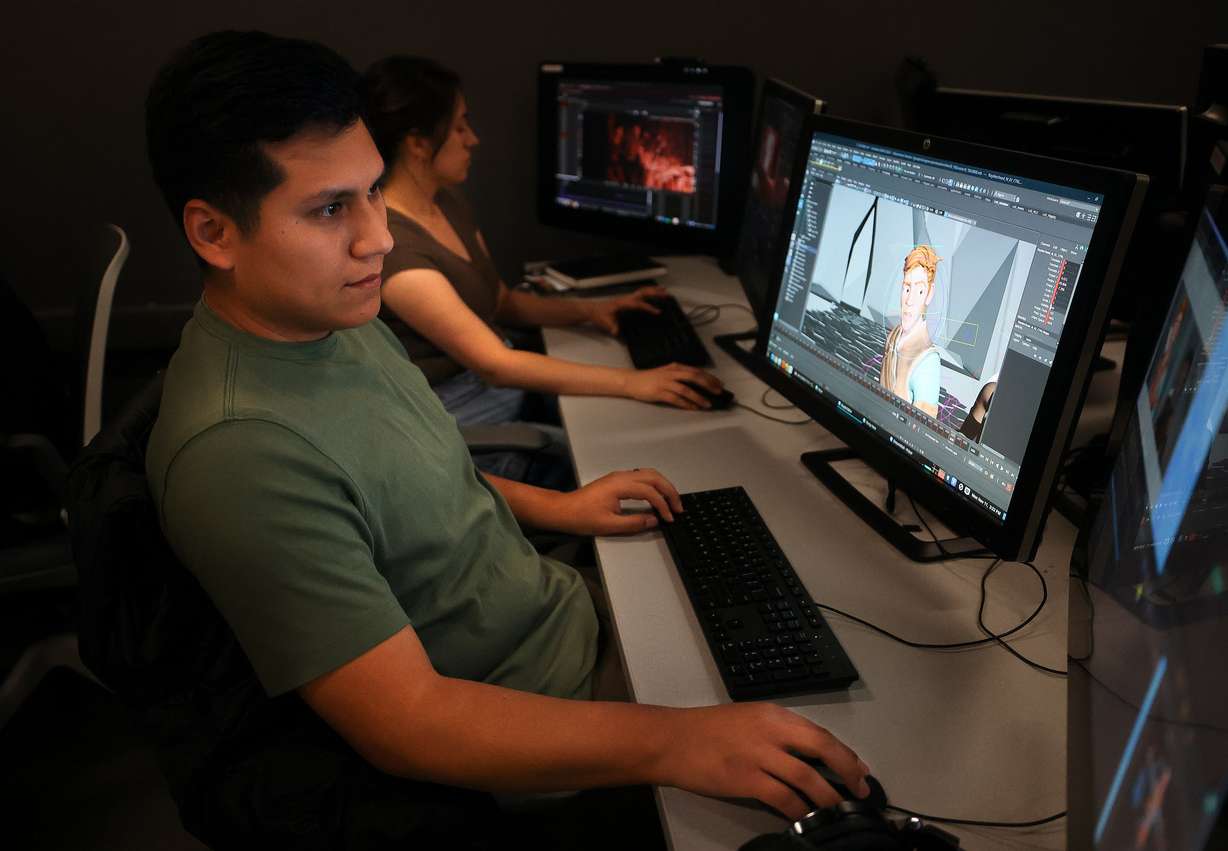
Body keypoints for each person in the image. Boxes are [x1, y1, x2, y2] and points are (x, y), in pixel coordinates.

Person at [143, 29, 872, 832]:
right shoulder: (239, 453)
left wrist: (567, 508)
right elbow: (409, 722)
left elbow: (409, 476)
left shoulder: (331, 317)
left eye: (374, 191)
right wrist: (678, 740)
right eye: (328, 209)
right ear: (214, 233)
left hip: (569, 618)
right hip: (544, 718)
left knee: (839, 624)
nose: (378, 236)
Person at [358, 57, 725, 426]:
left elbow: (501, 302)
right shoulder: (397, 249)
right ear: (419, 144)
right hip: (460, 410)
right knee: (611, 435)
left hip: (499, 383)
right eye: (459, 127)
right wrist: (634, 383)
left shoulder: (444, 199)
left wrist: (593, 310)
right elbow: (495, 366)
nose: (473, 139)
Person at [880, 245, 943, 418]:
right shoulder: (893, 335)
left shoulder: (928, 361)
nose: (910, 300)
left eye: (920, 290)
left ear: (929, 294)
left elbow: (921, 433)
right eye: (907, 288)